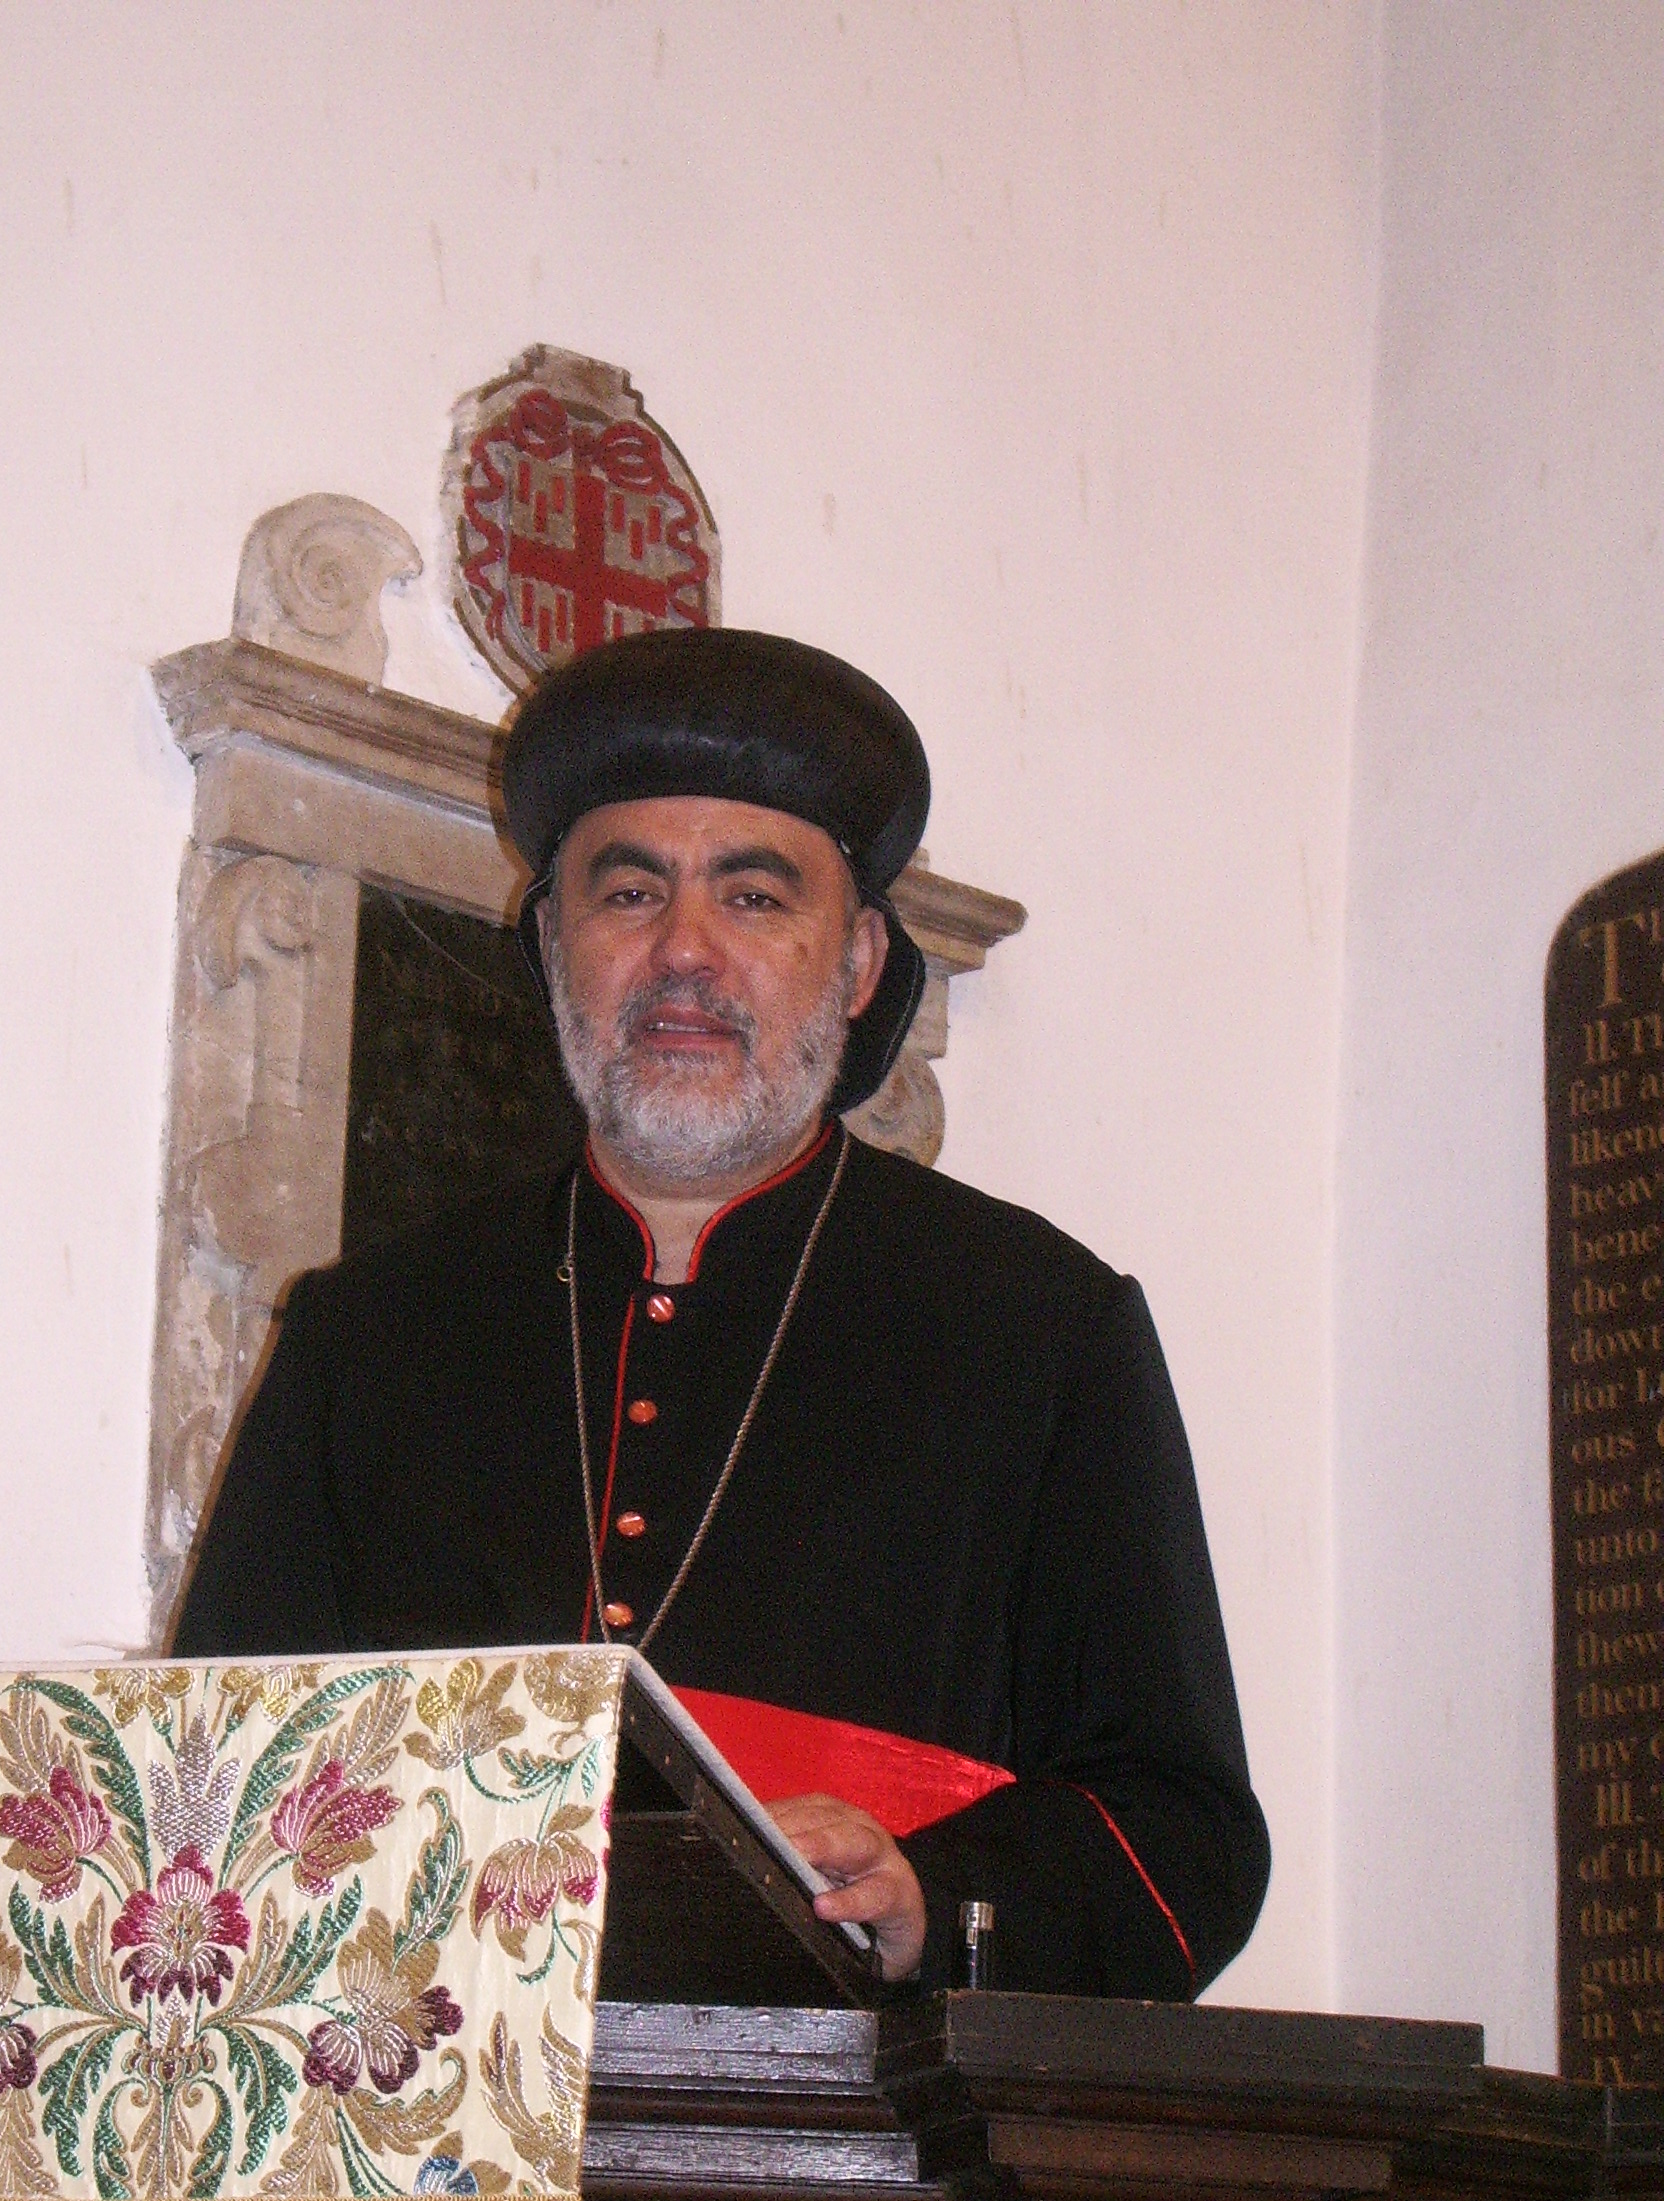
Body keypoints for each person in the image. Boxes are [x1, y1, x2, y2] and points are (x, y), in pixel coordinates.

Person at [173, 626, 1270, 1996]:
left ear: (857, 962)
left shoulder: (1042, 1330)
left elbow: (1183, 1838)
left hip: (857, 2107)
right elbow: (203, 1785)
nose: (683, 950)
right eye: (629, 892)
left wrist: (936, 1896)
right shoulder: (369, 1335)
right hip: (427, 2093)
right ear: (554, 945)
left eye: (754, 898)